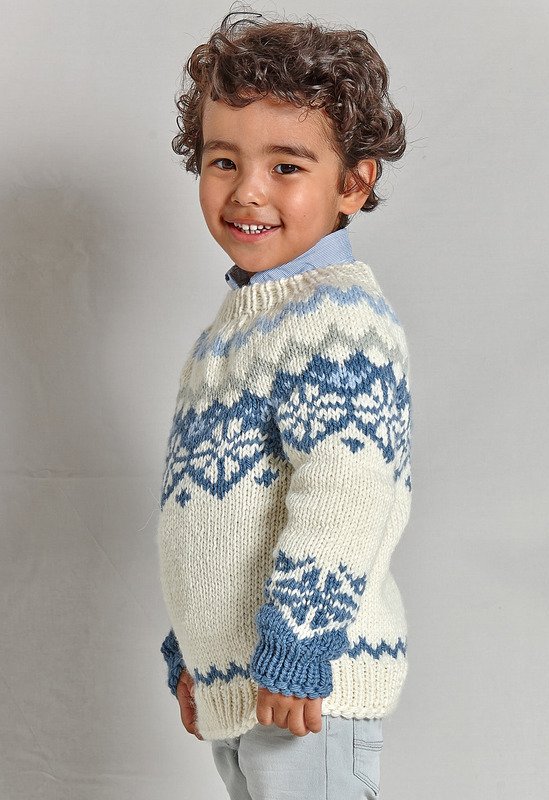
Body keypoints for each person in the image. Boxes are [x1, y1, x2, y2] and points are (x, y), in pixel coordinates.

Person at [157, 9, 413, 799]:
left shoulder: (339, 321)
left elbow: (347, 494)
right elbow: (210, 520)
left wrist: (299, 646)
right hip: (246, 688)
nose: (248, 191)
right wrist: (192, 653)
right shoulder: (231, 334)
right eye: (223, 160)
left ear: (354, 183)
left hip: (307, 688)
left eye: (287, 166)